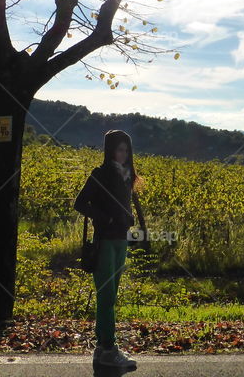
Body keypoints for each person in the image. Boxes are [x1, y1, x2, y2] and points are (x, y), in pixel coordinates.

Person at [73, 129, 144, 369]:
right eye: (119, 149)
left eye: (126, 149)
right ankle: (109, 348)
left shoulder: (127, 176)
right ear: (109, 150)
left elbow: (122, 205)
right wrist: (107, 219)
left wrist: (127, 219)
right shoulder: (100, 174)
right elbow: (80, 203)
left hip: (121, 241)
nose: (123, 154)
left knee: (111, 296)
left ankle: (102, 348)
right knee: (106, 296)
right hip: (104, 241)